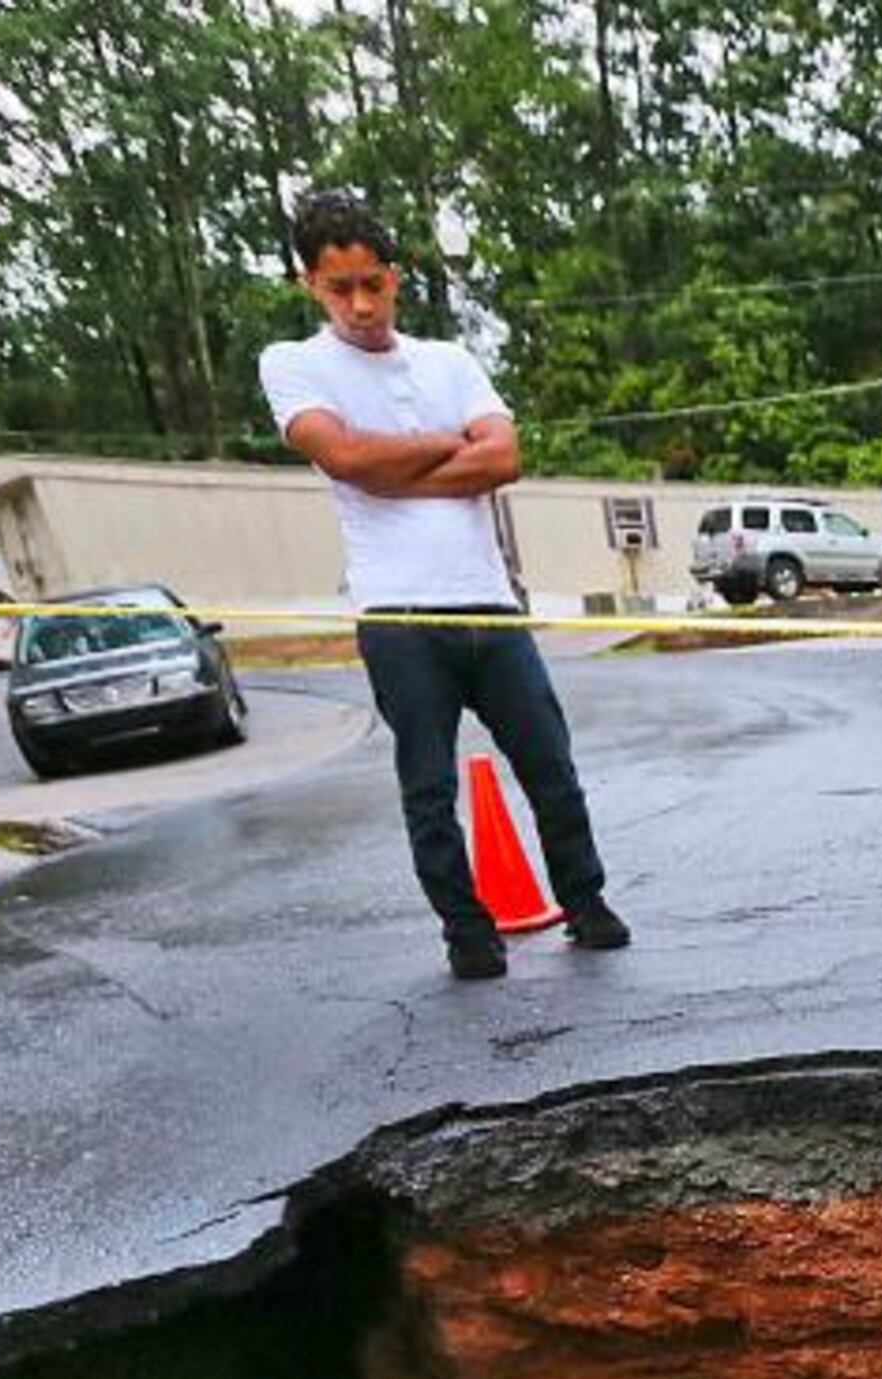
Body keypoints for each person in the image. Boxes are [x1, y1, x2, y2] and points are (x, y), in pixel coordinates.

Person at [261, 189, 628, 981]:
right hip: (398, 618)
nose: (360, 304)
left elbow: (502, 459)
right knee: (428, 787)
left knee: (551, 768)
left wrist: (395, 465)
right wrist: (432, 448)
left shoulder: (448, 362)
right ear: (309, 285)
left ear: (395, 276)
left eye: (372, 283)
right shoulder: (294, 364)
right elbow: (347, 460)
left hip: (491, 608)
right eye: (338, 288)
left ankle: (586, 903)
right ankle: (468, 932)